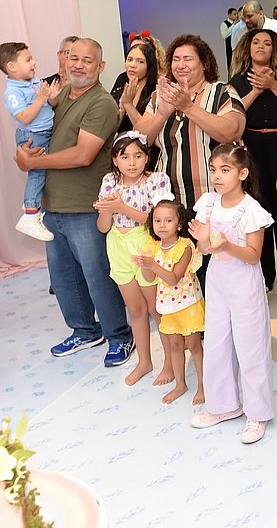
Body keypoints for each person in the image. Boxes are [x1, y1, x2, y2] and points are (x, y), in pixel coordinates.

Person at [14, 38, 133, 367]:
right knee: (64, 278)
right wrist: (25, 152)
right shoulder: (61, 94)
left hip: (85, 207)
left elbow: (83, 154)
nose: (78, 65)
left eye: (87, 60)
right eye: (73, 58)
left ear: (101, 66)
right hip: (52, 205)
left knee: (97, 276)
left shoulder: (102, 103)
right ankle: (85, 331)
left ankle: (119, 336)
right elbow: (38, 133)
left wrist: (33, 162)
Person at [187, 143, 274, 442]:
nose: (217, 176)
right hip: (217, 282)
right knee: (216, 344)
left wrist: (227, 245)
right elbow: (205, 250)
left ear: (242, 173)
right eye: (213, 169)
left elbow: (253, 255)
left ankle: (257, 413)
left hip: (245, 285)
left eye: (225, 170)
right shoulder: (208, 203)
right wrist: (204, 240)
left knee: (251, 348)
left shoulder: (252, 210)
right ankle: (223, 406)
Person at [94, 131, 173, 387]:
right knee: (136, 310)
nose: (131, 162)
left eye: (138, 156)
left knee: (156, 308)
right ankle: (144, 361)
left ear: (147, 157)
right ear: (114, 160)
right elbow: (103, 227)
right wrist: (107, 210)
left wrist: (121, 207)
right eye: (124, 156)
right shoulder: (109, 181)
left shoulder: (156, 181)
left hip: (145, 245)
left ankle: (170, 363)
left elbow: (156, 222)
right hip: (117, 246)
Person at [229, 29, 277, 289]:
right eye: (256, 42)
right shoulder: (238, 79)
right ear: (247, 47)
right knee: (258, 205)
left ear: (275, 49)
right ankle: (264, 273)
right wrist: (255, 91)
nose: (261, 46)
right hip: (250, 144)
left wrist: (272, 85)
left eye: (267, 43)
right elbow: (234, 110)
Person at [136, 34, 245, 212]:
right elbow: (138, 141)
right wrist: (161, 115)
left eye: (188, 59)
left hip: (216, 197)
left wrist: (188, 107)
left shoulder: (222, 92)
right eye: (176, 59)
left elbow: (232, 132)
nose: (181, 65)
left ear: (205, 64)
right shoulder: (160, 96)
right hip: (168, 200)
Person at [136, 198, 206, 406]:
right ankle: (180, 384)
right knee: (175, 345)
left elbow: (174, 278)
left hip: (188, 304)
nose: (162, 225)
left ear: (179, 223)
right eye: (157, 220)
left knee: (194, 345)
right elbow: (150, 278)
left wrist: (153, 265)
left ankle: (203, 385)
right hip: (167, 305)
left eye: (168, 220)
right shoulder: (153, 247)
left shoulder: (185, 247)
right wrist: (144, 265)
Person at [0, 42, 60, 242]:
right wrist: (40, 99)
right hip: (33, 135)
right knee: (37, 173)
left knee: (43, 173)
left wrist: (52, 98)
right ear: (12, 66)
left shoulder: (35, 82)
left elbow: (50, 105)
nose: (34, 63)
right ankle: (30, 213)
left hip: (46, 132)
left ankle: (32, 204)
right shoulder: (12, 92)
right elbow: (23, 118)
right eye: (28, 59)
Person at [110, 40, 160, 139]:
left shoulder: (156, 91)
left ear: (149, 65)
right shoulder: (121, 82)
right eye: (129, 59)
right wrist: (122, 111)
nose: (132, 65)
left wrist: (128, 105)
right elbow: (108, 130)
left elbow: (146, 133)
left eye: (140, 61)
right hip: (119, 143)